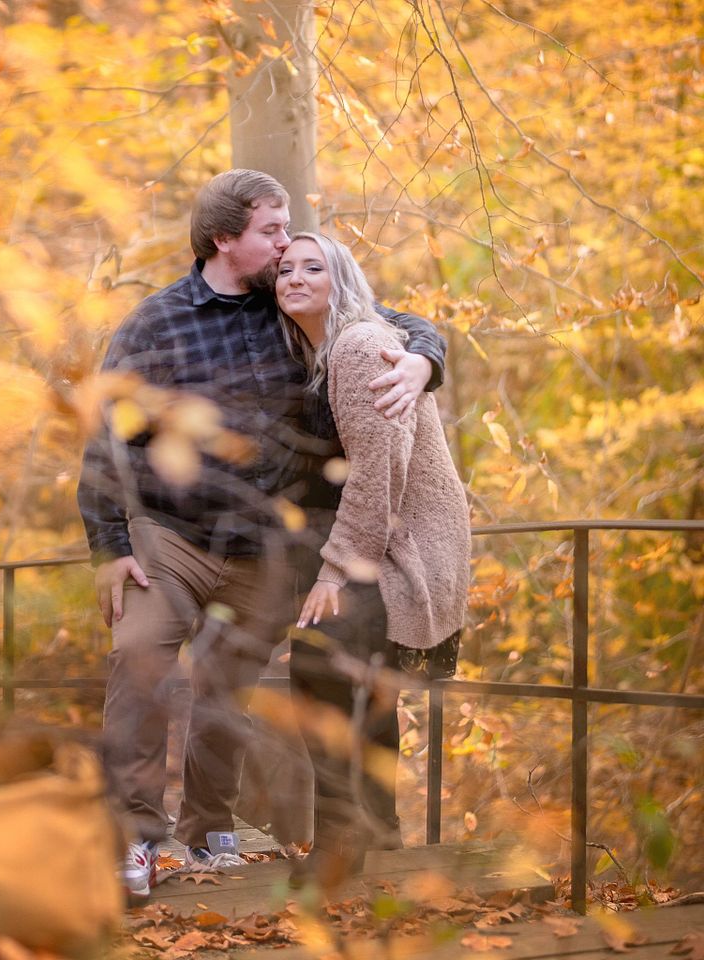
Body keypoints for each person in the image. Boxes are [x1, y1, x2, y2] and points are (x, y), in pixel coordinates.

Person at [76, 169, 449, 901]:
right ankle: (134, 842)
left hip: (270, 549)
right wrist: (109, 546)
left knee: (254, 676)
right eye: (273, 232)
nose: (286, 245)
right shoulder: (157, 323)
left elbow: (390, 321)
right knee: (140, 656)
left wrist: (422, 360)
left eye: (288, 233)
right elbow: (103, 433)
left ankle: (215, 827)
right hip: (173, 537)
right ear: (226, 238)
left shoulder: (292, 298)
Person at [274, 232, 470, 894]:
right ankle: (379, 827)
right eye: (284, 268)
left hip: (405, 542)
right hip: (386, 536)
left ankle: (340, 836)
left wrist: (335, 574)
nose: (293, 275)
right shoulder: (328, 350)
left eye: (312, 266)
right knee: (365, 673)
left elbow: (376, 475)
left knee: (319, 661)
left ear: (342, 280)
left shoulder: (358, 347)